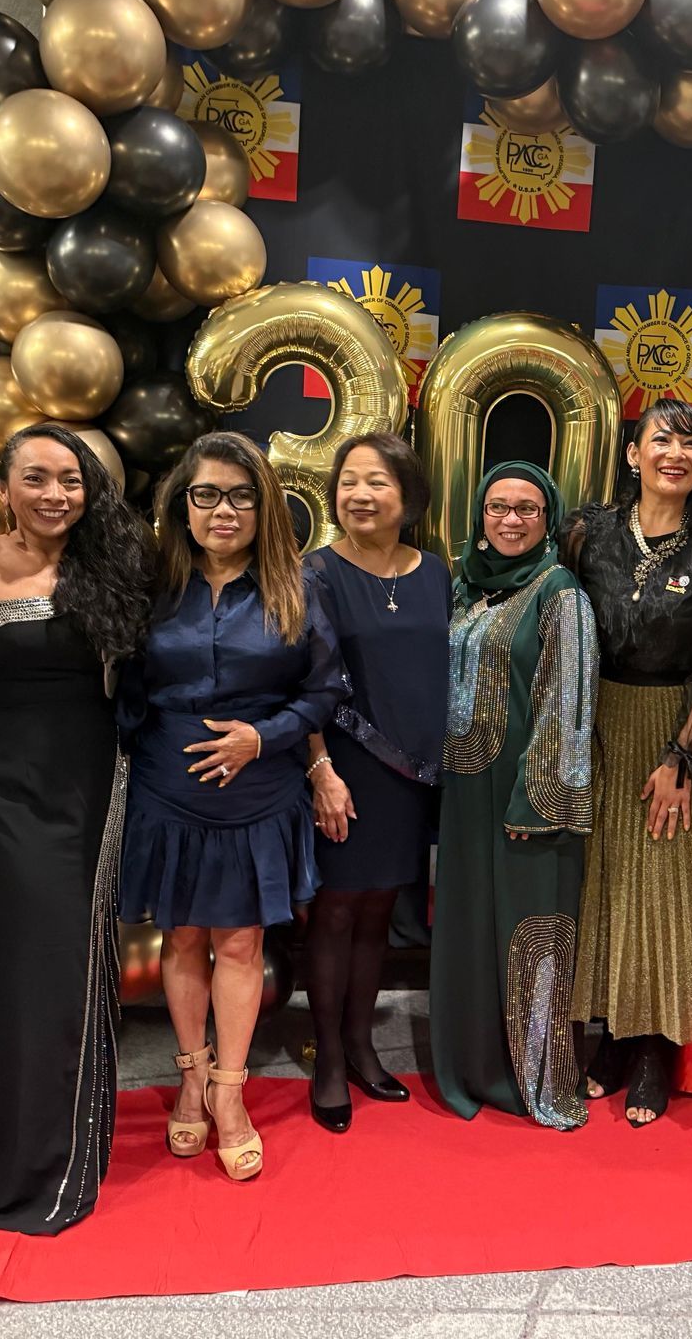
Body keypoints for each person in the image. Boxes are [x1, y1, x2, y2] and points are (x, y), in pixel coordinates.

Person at [0, 424, 153, 1230]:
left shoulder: (115, 561)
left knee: (69, 957)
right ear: (4, 487)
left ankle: (59, 1149)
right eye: (38, 478)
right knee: (17, 959)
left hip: (90, 779)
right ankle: (11, 1137)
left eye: (71, 480)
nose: (56, 494)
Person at [117, 431, 344, 1182]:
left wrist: (263, 737)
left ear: (264, 507)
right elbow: (125, 685)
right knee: (182, 937)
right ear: (182, 505)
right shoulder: (152, 585)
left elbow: (323, 692)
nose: (224, 510)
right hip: (168, 784)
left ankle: (229, 1091)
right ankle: (189, 1077)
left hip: (258, 784)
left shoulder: (298, 586)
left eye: (241, 496)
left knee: (241, 943)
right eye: (207, 494)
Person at [565, 398, 692, 1128]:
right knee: (609, 884)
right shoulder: (588, 532)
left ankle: (654, 1050)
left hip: (680, 724)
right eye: (661, 440)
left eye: (690, 442)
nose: (676, 453)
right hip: (597, 723)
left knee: (666, 885)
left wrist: (682, 753)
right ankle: (614, 1037)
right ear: (633, 454)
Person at [430, 462, 598, 1130]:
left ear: (547, 518)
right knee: (470, 928)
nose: (510, 519)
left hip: (527, 800)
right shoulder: (465, 585)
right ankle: (471, 1065)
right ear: (480, 515)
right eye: (498, 506)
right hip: (465, 792)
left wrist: (540, 799)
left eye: (527, 508)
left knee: (530, 933)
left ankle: (536, 1078)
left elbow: (568, 700)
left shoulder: (560, 592)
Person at [299, 434, 447, 1132]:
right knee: (334, 912)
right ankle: (329, 1058)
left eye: (377, 482)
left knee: (378, 911)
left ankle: (362, 1046)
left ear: (408, 496)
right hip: (343, 767)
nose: (360, 494)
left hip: (411, 775)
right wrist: (320, 769)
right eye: (349, 481)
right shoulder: (315, 572)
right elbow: (302, 680)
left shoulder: (434, 572)